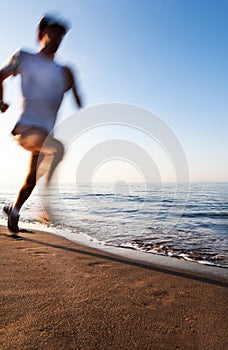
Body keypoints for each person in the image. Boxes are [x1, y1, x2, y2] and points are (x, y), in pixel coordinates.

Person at [0, 14, 82, 234]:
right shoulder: (25, 57)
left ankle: (14, 211)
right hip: (25, 129)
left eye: (61, 37)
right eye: (52, 34)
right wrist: (0, 101)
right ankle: (45, 205)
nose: (57, 39)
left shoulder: (62, 71)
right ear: (41, 35)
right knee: (57, 148)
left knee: (30, 179)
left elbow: (78, 100)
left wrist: (72, 82)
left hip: (44, 135)